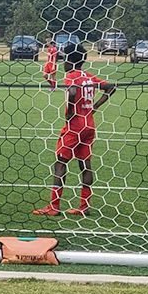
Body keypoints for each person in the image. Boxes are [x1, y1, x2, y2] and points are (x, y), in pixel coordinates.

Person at [33, 43, 116, 217]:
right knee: (85, 165)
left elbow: (71, 92)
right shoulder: (88, 77)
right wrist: (94, 107)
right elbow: (111, 87)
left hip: (75, 126)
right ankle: (84, 206)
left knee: (60, 163)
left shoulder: (71, 76)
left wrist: (70, 111)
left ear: (70, 60)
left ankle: (54, 206)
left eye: (64, 59)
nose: (63, 62)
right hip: (89, 125)